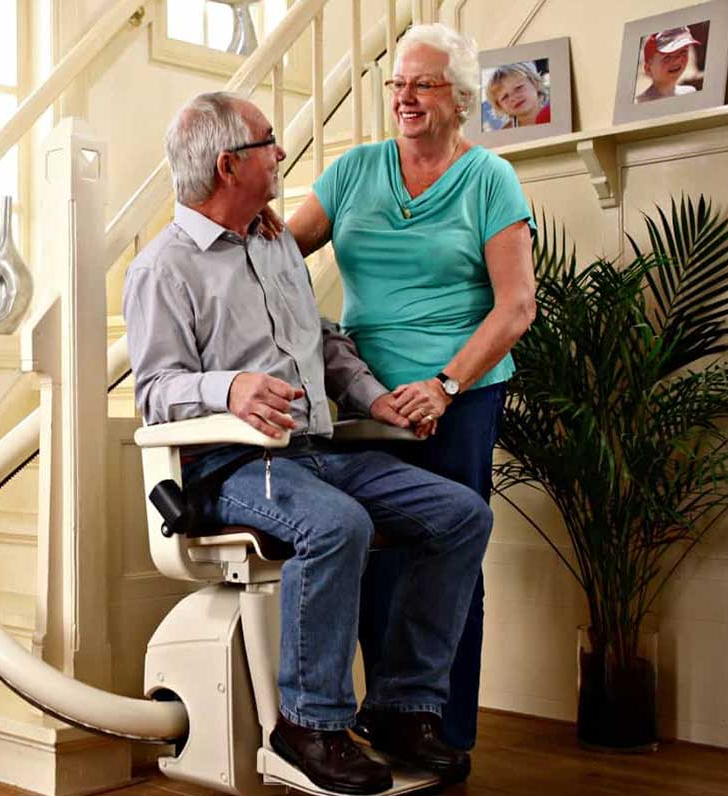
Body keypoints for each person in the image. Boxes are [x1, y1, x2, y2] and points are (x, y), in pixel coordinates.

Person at [124, 90, 492, 792]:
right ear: (230, 165)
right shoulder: (162, 268)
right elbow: (154, 390)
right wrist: (227, 388)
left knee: (460, 514)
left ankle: (400, 710)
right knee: (336, 524)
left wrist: (373, 397)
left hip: (314, 454)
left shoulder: (274, 244)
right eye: (270, 142)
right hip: (228, 466)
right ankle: (307, 725)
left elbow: (321, 343)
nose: (282, 152)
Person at [275, 23, 537, 752]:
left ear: (458, 98)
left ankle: (442, 734)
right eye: (397, 84)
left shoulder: (489, 179)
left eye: (422, 84)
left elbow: (516, 305)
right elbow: (276, 252)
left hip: (460, 397)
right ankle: (384, 719)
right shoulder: (354, 172)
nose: (405, 98)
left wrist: (447, 384)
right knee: (371, 555)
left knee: (450, 559)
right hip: (364, 402)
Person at [636, 26, 701, 102]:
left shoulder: (690, 91)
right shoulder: (640, 102)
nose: (678, 60)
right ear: (648, 69)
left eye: (683, 52)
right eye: (667, 57)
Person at [485, 62, 550, 128]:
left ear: (535, 84)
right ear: (500, 107)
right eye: (505, 97)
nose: (513, 98)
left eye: (518, 88)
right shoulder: (506, 133)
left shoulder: (553, 114)